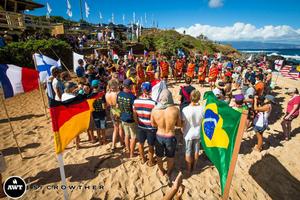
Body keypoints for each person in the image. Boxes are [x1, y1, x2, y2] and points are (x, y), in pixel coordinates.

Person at [151, 89, 181, 176]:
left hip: (159, 135)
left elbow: (153, 124)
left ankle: (161, 170)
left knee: (159, 155)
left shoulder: (154, 110)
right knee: (170, 156)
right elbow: (179, 124)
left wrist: (161, 124)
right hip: (170, 135)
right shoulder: (175, 110)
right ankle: (169, 171)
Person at [133, 82, 157, 165]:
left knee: (141, 143)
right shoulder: (153, 103)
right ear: (150, 90)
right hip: (150, 127)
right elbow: (154, 117)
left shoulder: (135, 101)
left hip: (141, 125)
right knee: (151, 145)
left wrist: (138, 123)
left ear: (142, 89)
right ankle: (151, 161)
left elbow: (135, 115)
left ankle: (143, 159)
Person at [182, 90, 204, 175]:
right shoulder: (202, 108)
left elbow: (183, 123)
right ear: (199, 98)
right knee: (196, 151)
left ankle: (188, 169)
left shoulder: (185, 109)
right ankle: (194, 167)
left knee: (188, 151)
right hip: (198, 132)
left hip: (188, 133)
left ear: (190, 97)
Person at [117, 79, 137, 157]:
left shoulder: (119, 94)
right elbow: (134, 110)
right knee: (133, 137)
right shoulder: (132, 97)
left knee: (126, 135)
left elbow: (117, 106)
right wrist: (136, 120)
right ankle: (132, 153)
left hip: (123, 118)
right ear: (130, 86)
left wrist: (119, 115)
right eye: (132, 85)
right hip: (131, 119)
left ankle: (128, 150)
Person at [106, 79, 124, 150]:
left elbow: (107, 104)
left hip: (111, 109)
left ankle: (113, 144)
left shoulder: (107, 94)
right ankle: (121, 142)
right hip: (117, 110)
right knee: (120, 127)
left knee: (115, 128)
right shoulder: (118, 93)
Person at [91, 80, 107, 145]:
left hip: (95, 114)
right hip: (102, 114)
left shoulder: (90, 95)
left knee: (98, 127)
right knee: (103, 127)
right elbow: (104, 106)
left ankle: (100, 141)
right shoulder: (101, 94)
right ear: (98, 86)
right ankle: (104, 140)